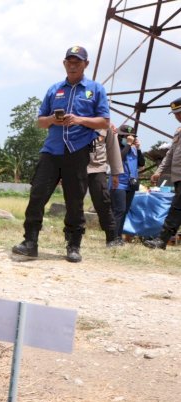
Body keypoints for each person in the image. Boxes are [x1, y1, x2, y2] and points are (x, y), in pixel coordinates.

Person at [12, 46, 110, 263]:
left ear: (86, 64)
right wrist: (52, 120)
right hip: (52, 150)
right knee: (37, 195)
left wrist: (79, 119)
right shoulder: (54, 89)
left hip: (77, 151)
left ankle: (73, 245)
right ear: (64, 63)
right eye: (70, 61)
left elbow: (104, 121)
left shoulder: (95, 89)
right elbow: (40, 121)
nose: (73, 65)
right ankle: (30, 242)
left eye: (78, 61)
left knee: (74, 200)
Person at [143, 97, 181, 249]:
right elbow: (170, 154)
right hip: (178, 177)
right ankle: (162, 240)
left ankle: (162, 240)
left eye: (179, 112)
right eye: (175, 114)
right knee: (177, 208)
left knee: (176, 208)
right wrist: (158, 171)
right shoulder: (178, 131)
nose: (177, 116)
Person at [88, 126, 124, 246]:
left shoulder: (106, 126)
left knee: (103, 202)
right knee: (73, 203)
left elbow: (113, 150)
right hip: (76, 167)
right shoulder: (74, 120)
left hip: (97, 168)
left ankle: (111, 237)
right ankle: (71, 235)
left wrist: (115, 174)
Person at [110, 125, 145, 241]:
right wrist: (129, 145)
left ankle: (118, 236)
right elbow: (118, 159)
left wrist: (138, 149)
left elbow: (141, 163)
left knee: (124, 211)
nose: (130, 138)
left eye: (132, 137)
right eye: (127, 137)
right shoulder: (116, 147)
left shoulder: (134, 149)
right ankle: (113, 237)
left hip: (131, 184)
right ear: (121, 136)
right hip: (118, 182)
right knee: (118, 210)